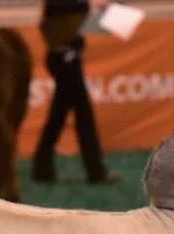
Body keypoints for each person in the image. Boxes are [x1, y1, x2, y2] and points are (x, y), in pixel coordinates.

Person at [32, 0, 117, 185]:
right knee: (83, 115)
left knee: (59, 116)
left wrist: (108, 7)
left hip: (68, 59)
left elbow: (94, 24)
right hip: (64, 60)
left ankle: (42, 168)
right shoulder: (61, 7)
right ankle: (95, 171)